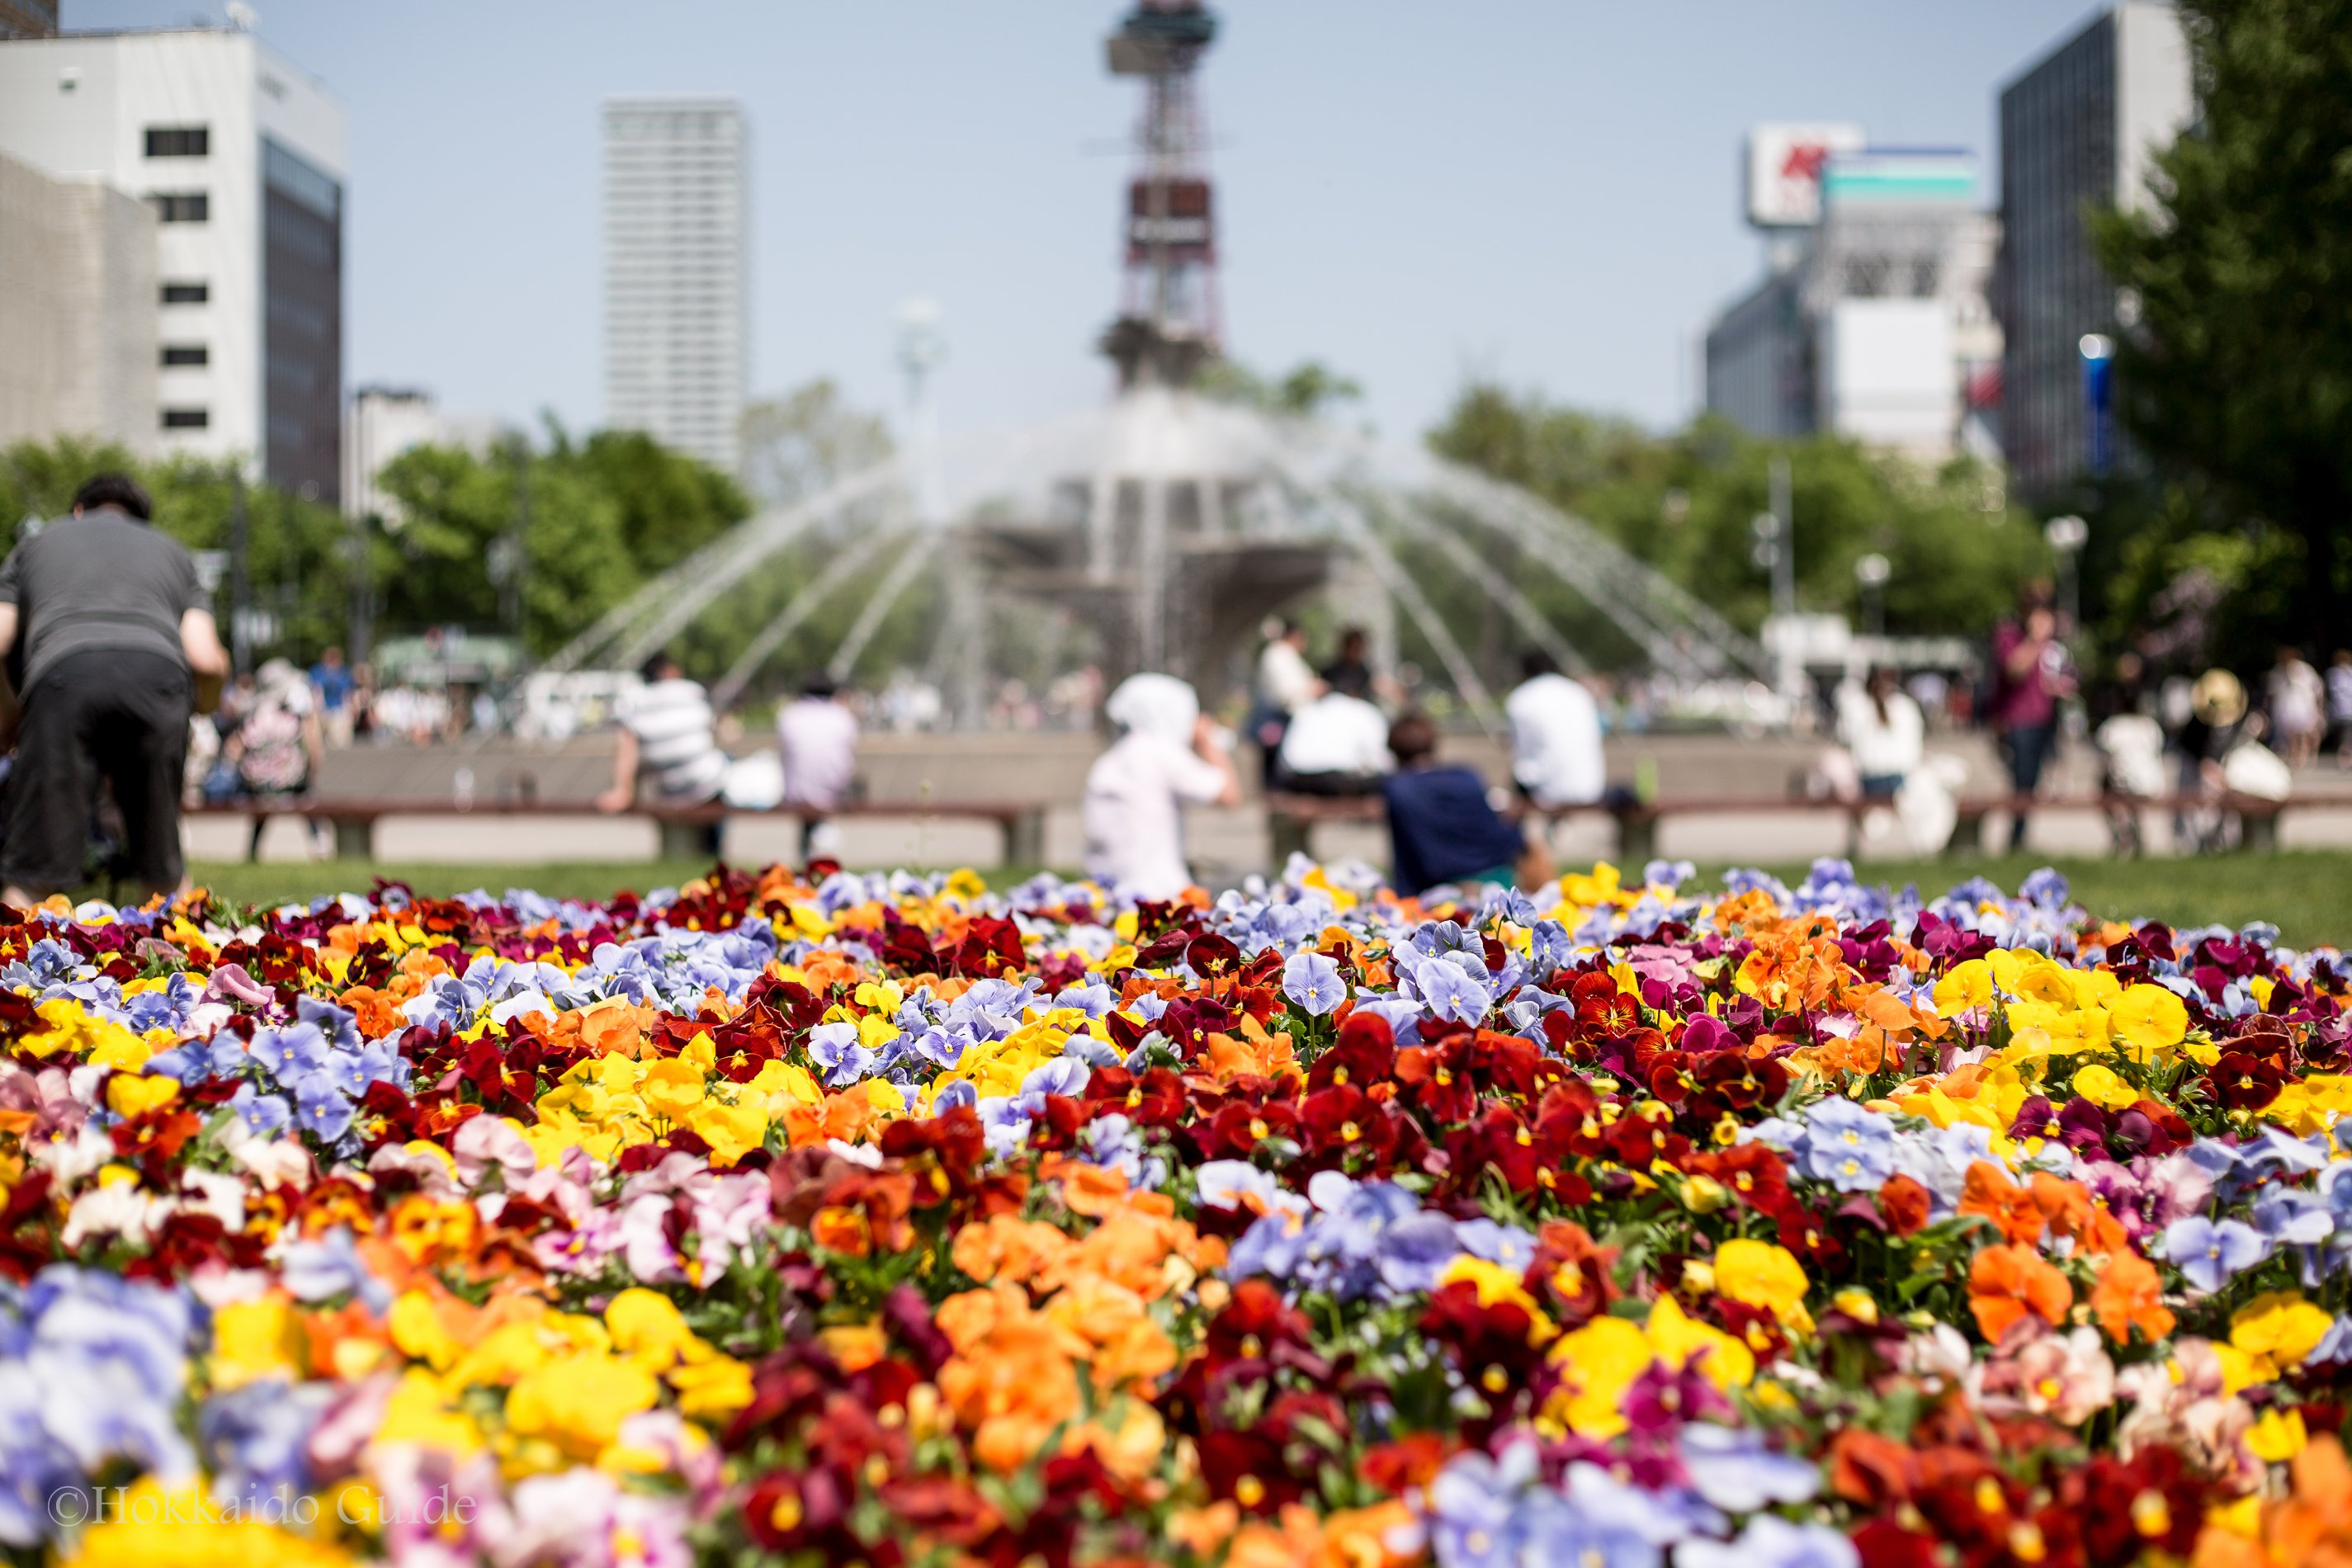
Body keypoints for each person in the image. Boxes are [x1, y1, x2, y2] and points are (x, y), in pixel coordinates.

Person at [0, 473, 228, 903]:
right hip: (159, 681)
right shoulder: (175, 552)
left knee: (32, 872)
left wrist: (9, 717)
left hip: (63, 675)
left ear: (79, 512)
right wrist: (198, 709)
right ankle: (180, 961)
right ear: (141, 520)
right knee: (163, 869)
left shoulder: (36, 543)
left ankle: (11, 963)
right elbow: (206, 660)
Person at [1082, 673, 1240, 900]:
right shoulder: (1159, 752)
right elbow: (1229, 795)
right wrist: (1207, 741)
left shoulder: (1110, 760)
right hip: (1162, 895)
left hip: (1110, 895)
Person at [1381, 712, 1552, 898]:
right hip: (1498, 877)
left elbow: (1407, 858)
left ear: (1394, 750)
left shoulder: (1398, 788)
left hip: (1441, 889)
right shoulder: (1465, 775)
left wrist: (1404, 897)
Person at [599, 652, 729, 840]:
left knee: (677, 850)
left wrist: (623, 790)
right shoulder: (692, 691)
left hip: (669, 792)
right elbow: (710, 730)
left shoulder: (635, 700)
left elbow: (626, 746)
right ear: (670, 670)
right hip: (709, 783)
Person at [1986, 580, 2075, 850]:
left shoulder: (2052, 641)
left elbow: (2053, 675)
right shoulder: (2009, 633)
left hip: (2045, 719)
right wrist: (2036, 639)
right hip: (2017, 721)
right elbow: (2015, 670)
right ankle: (2015, 840)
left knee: (2035, 781)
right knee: (2022, 782)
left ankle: (2021, 836)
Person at [227, 658, 326, 859]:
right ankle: (319, 845)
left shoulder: (256, 713)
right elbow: (314, 747)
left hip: (259, 784)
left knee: (261, 814)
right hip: (292, 780)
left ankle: (253, 851)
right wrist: (313, 770)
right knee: (309, 801)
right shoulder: (295, 712)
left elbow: (234, 747)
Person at [1504, 649, 1604, 809]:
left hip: (1548, 793)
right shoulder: (1580, 693)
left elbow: (1521, 754)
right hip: (1591, 788)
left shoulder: (1521, 698)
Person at [777, 672, 860, 863]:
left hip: (796, 792)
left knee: (806, 789)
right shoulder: (842, 716)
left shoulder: (790, 713)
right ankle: (820, 849)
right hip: (833, 790)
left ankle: (808, 853)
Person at [1276, 686, 1393, 795]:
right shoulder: (1365, 710)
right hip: (1340, 780)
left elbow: (1285, 759)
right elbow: (1378, 757)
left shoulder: (1306, 710)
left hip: (1298, 779)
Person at [1836, 665, 1925, 801]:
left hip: (1883, 776)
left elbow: (1843, 737)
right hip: (1892, 777)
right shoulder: (1906, 706)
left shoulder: (1857, 705)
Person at [1249, 618, 1321, 775]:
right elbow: (1285, 692)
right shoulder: (1278, 654)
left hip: (1288, 717)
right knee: (1276, 769)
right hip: (1279, 717)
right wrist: (1312, 688)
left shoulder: (1285, 655)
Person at [2266, 645, 2326, 769]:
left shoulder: (2304, 670)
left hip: (2303, 706)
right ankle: (2295, 756)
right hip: (2286, 707)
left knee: (2304, 733)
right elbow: (2272, 692)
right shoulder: (2278, 671)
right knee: (2291, 734)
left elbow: (2316, 689)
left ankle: (2303, 756)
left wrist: (2318, 708)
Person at [309, 645, 355, 748]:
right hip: (322, 708)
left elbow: (347, 693)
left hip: (338, 709)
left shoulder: (344, 672)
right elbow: (316, 690)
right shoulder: (318, 671)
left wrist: (350, 709)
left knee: (338, 742)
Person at [2329, 649, 2352, 767]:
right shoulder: (2333, 674)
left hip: (2348, 710)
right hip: (2340, 711)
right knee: (2344, 735)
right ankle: (2345, 757)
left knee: (2347, 735)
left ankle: (2345, 758)